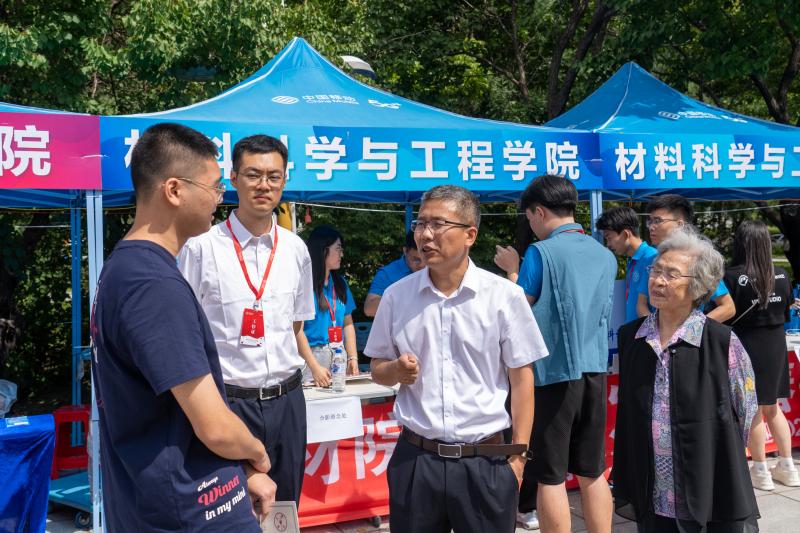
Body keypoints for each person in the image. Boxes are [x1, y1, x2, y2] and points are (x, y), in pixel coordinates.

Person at [91, 123, 275, 532]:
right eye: (215, 187)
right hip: (193, 508)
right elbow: (214, 426)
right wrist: (257, 455)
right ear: (174, 190)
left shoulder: (126, 269)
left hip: (161, 499)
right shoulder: (152, 284)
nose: (219, 199)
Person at [366, 185, 549, 533]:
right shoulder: (396, 297)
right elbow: (378, 370)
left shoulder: (504, 297)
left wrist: (517, 459)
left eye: (438, 224)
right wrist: (395, 370)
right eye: (421, 224)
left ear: (470, 235)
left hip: (486, 461)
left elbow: (522, 380)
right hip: (417, 460)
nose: (425, 234)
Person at [178, 134, 314, 506]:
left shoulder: (295, 249)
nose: (263, 185)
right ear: (234, 179)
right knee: (229, 510)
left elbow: (296, 323)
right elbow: (185, 333)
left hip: (287, 402)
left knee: (285, 509)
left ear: (284, 181)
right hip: (229, 404)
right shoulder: (201, 247)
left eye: (273, 176)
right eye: (253, 175)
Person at [613, 228, 758, 532]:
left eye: (672, 275)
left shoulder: (721, 342)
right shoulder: (632, 337)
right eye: (656, 271)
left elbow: (745, 409)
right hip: (651, 487)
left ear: (699, 286)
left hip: (706, 484)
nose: (658, 281)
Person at [494, 175, 616, 533]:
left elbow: (518, 311)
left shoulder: (540, 252)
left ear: (539, 211)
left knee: (550, 475)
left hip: (552, 375)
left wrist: (512, 270)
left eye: (529, 217)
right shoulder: (605, 254)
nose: (531, 224)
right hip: (595, 370)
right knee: (593, 471)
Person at [723, 220, 799, 490]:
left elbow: (724, 314)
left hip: (746, 345)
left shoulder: (731, 276)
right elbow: (786, 313)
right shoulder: (781, 274)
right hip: (775, 344)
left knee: (752, 409)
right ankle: (788, 467)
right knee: (772, 406)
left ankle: (761, 470)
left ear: (740, 243)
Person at [645, 194, 735, 322]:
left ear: (680, 224)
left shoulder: (696, 260)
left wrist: (691, 329)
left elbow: (728, 307)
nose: (651, 226)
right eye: (650, 221)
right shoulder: (652, 257)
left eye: (658, 221)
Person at [297, 225, 360, 386]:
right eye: (338, 249)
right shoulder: (304, 284)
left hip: (338, 354)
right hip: (311, 357)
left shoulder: (340, 283)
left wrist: (352, 357)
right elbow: (297, 330)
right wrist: (314, 367)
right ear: (323, 250)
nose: (341, 254)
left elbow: (348, 324)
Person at [596, 206, 658, 322]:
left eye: (609, 238)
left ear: (625, 234)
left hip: (645, 331)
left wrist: (651, 332)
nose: (608, 244)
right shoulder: (633, 260)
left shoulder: (652, 258)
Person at [363, 230, 424, 317]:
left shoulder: (437, 267)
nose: (422, 265)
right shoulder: (387, 273)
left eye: (425, 258)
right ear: (405, 251)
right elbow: (369, 309)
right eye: (416, 260)